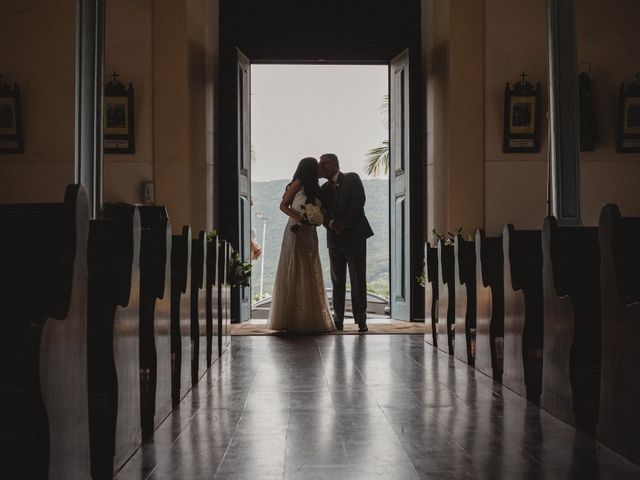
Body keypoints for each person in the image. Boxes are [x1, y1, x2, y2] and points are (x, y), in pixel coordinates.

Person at [267, 157, 335, 333]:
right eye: (316, 166)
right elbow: (283, 205)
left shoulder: (316, 189)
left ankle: (309, 316)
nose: (319, 168)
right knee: (295, 266)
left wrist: (316, 218)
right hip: (295, 230)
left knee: (309, 267)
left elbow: (322, 210)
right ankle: (291, 317)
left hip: (310, 233)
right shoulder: (298, 183)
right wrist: (300, 218)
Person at [318, 153, 374, 332]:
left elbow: (358, 202)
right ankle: (338, 320)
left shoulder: (352, 178)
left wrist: (344, 224)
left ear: (334, 164)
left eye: (323, 164)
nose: (321, 168)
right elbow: (322, 212)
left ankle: (361, 320)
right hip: (334, 239)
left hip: (354, 237)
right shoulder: (324, 188)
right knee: (337, 281)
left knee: (358, 279)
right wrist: (333, 224)